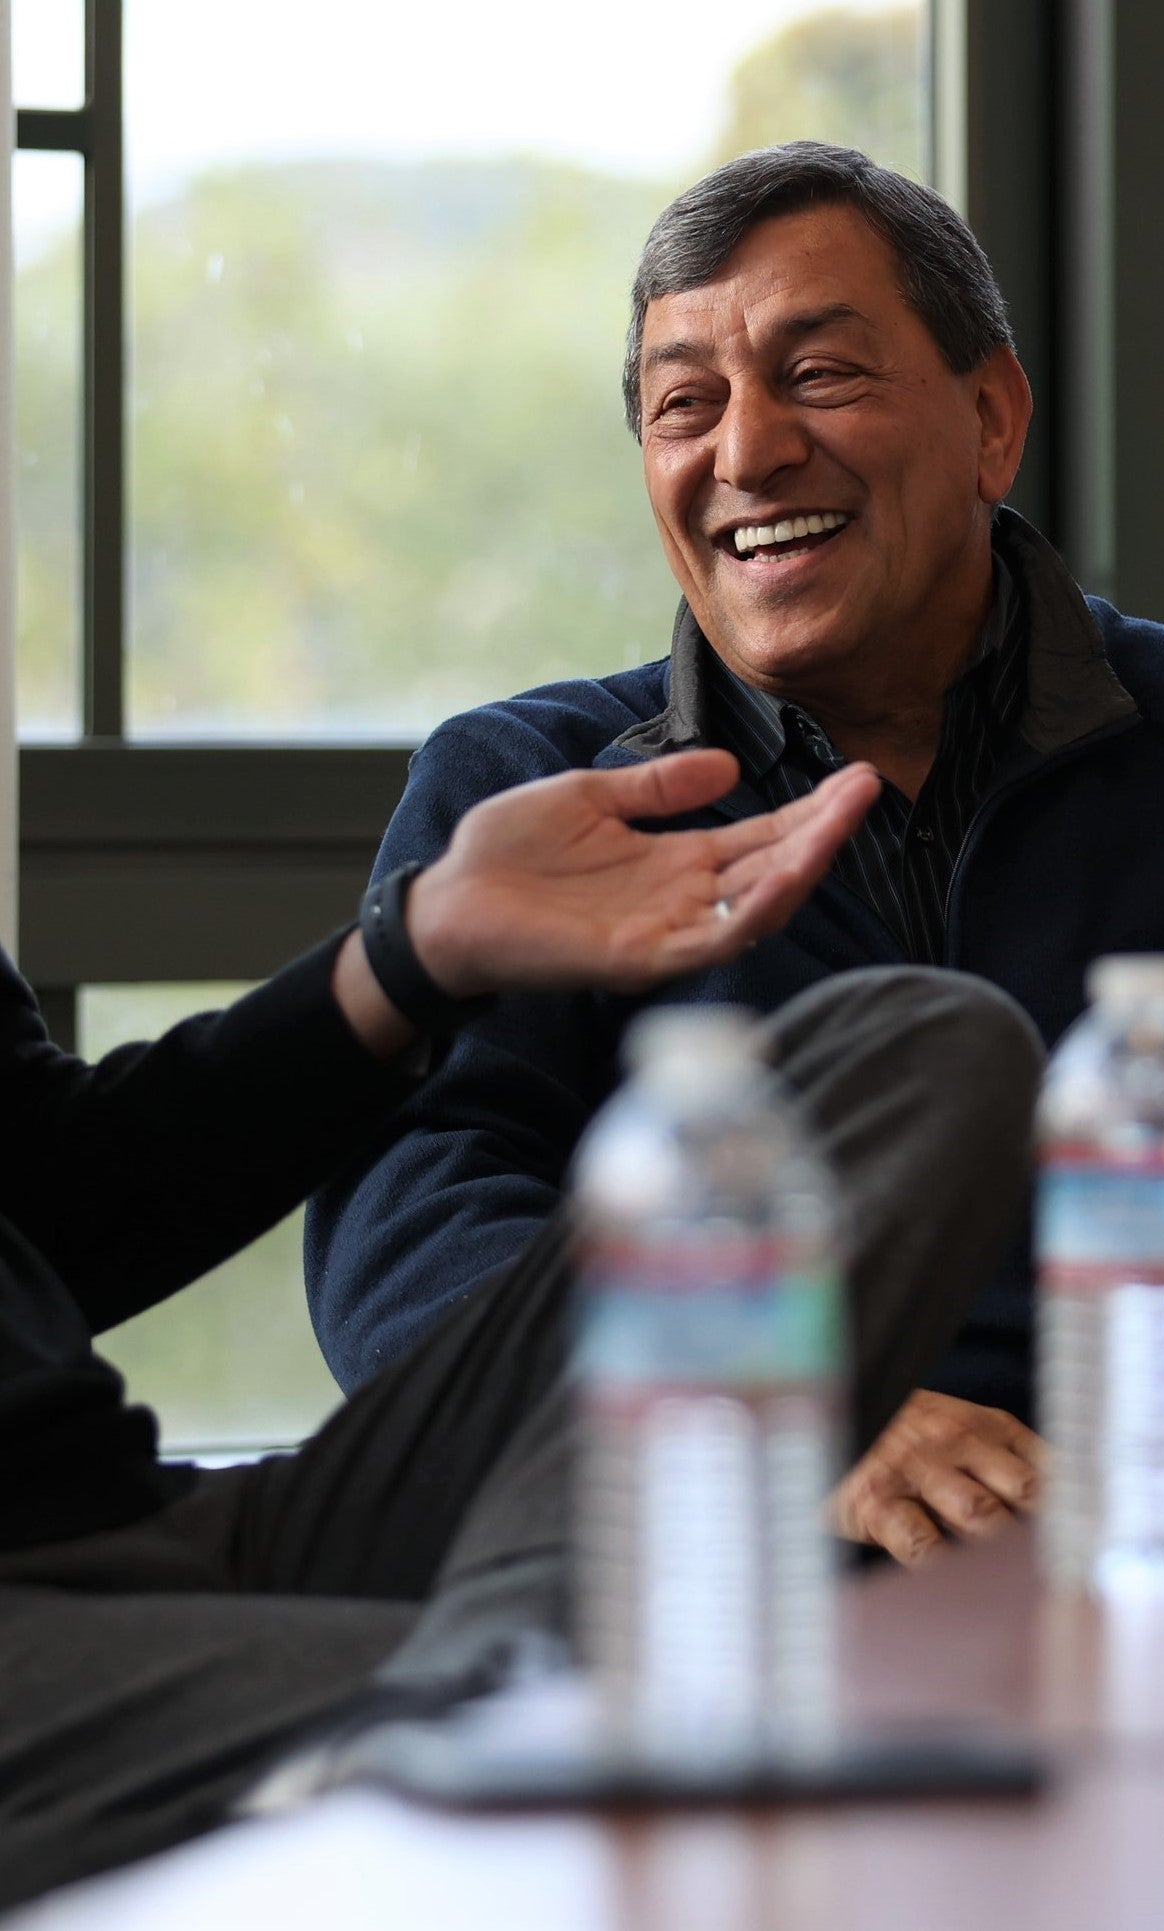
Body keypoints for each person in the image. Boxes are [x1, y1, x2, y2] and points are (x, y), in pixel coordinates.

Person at [307, 140, 1164, 1568]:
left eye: (818, 376)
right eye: (686, 405)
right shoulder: (535, 789)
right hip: (762, 1599)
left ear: (990, 419)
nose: (744, 451)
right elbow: (409, 1225)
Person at [0, 752, 1045, 1909]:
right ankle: (519, 1686)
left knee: (918, 1049)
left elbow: (68, 1195)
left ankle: (513, 1649)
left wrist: (418, 952)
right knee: (588, 1733)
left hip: (149, 1530)